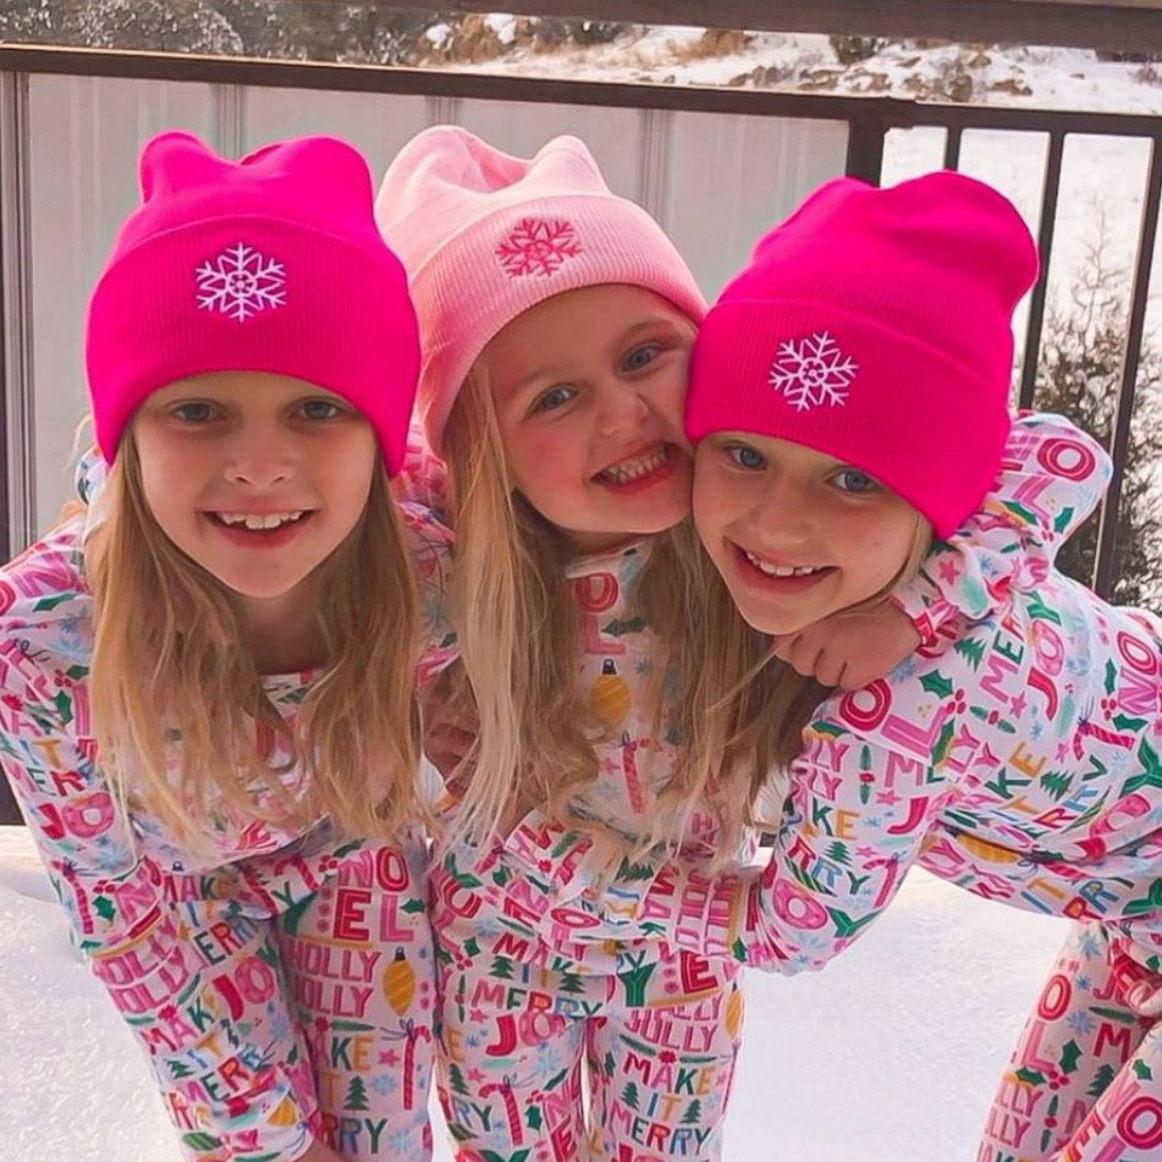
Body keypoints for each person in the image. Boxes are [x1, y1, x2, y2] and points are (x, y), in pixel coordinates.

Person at [378, 130, 1097, 1162]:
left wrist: (915, 608)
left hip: (681, 967)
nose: (624, 413)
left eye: (643, 355)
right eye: (555, 397)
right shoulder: (450, 560)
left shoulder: (756, 536)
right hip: (498, 951)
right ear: (478, 447)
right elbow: (298, 507)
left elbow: (1057, 456)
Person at [0, 131, 438, 1162]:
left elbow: (632, 586)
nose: (259, 464)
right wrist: (268, 1134)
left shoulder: (434, 571)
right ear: (129, 436)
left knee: (384, 1137)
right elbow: (122, 912)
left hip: (353, 850)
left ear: (379, 442)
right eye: (197, 410)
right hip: (175, 901)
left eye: (317, 407)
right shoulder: (46, 643)